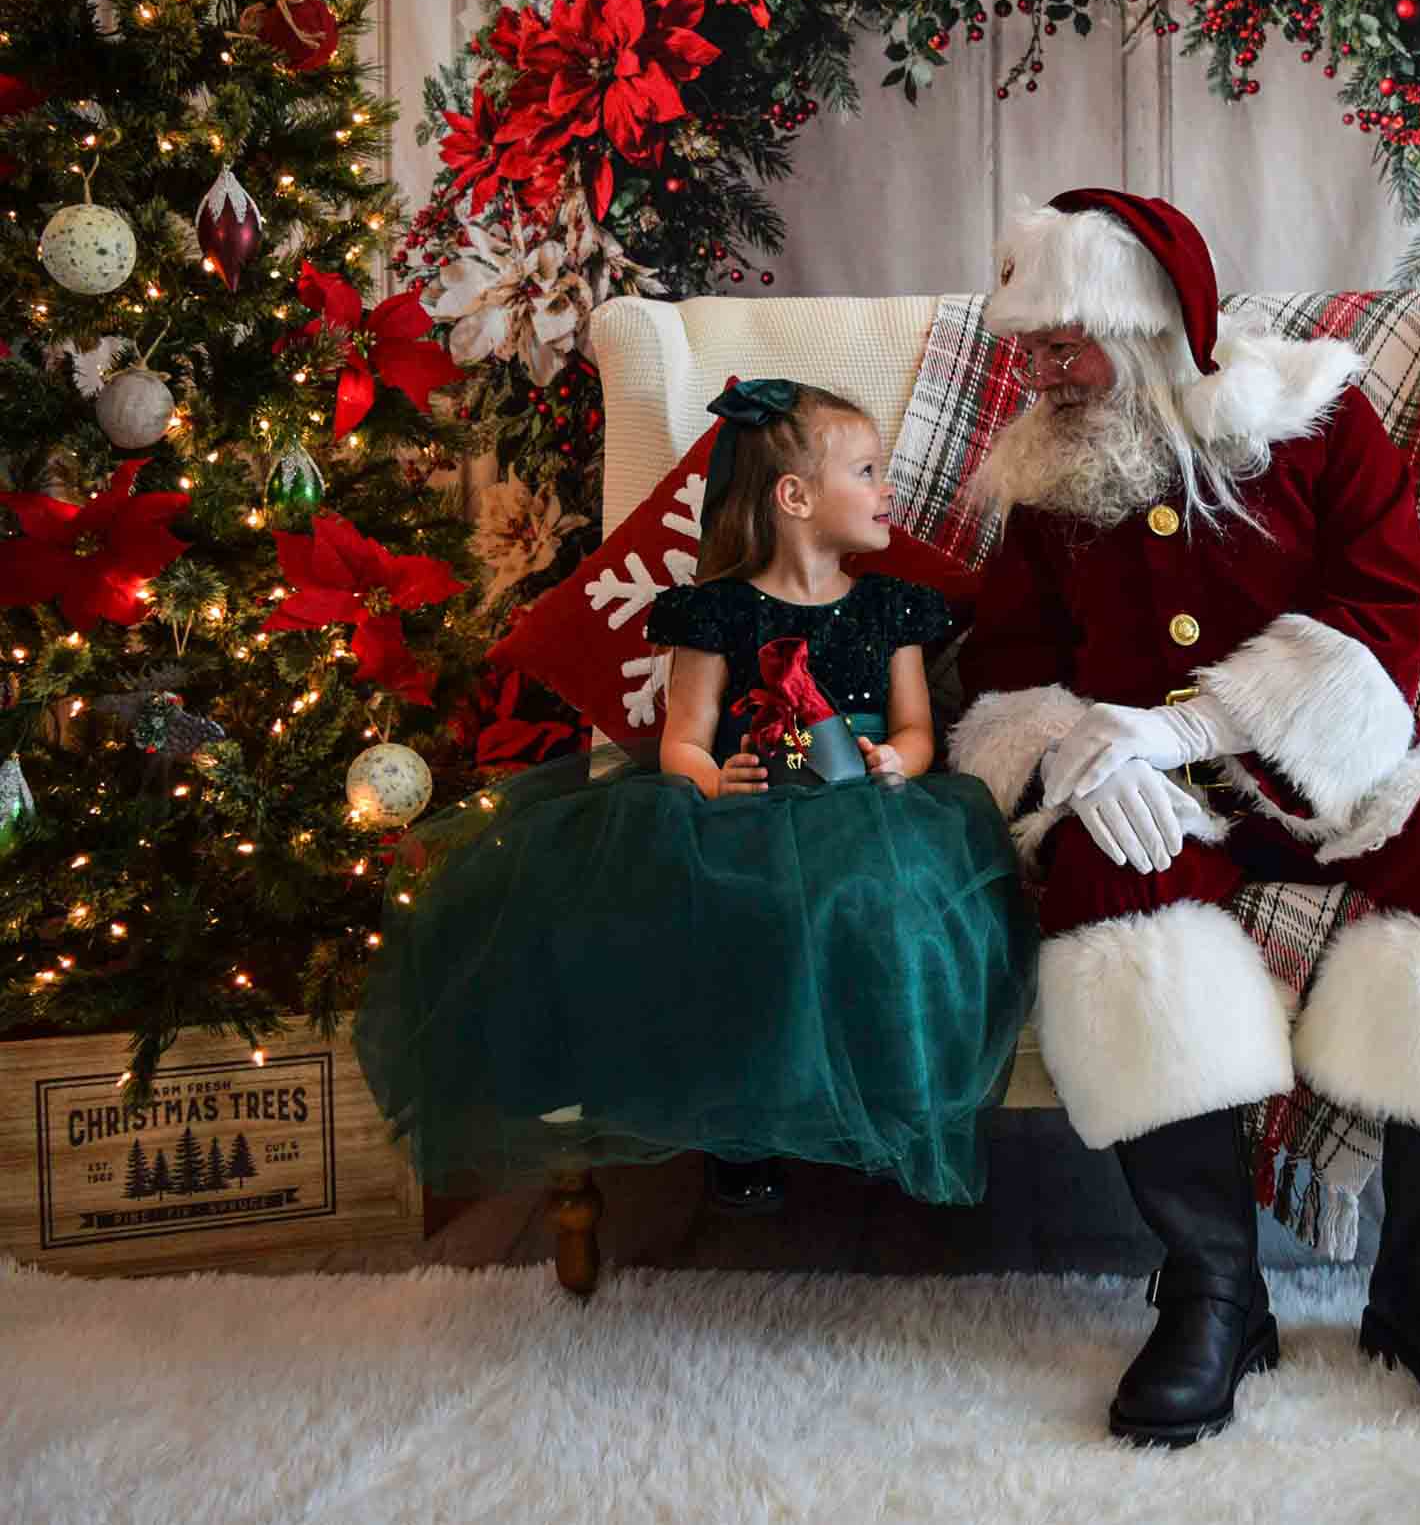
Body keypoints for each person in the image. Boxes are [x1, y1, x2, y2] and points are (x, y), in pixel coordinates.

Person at [953, 189, 1420, 1450]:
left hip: (1325, 770)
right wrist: (1075, 755)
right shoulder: (1045, 478)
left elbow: (1383, 624)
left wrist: (1187, 724)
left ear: (1147, 323)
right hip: (1153, 794)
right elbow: (1004, 671)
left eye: (1061, 344)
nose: (1033, 372)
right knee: (1105, 873)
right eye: (1024, 346)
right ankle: (1215, 1285)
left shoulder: (1316, 422)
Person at [353, 379, 1037, 1219]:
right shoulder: (716, 613)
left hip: (871, 812)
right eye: (866, 470)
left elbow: (918, 729)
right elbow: (684, 735)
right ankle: (741, 1127)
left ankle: (870, 1112)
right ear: (794, 497)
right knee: (743, 910)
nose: (886, 489)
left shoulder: (889, 607)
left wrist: (896, 761)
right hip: (743, 810)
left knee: (868, 904)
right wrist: (714, 779)